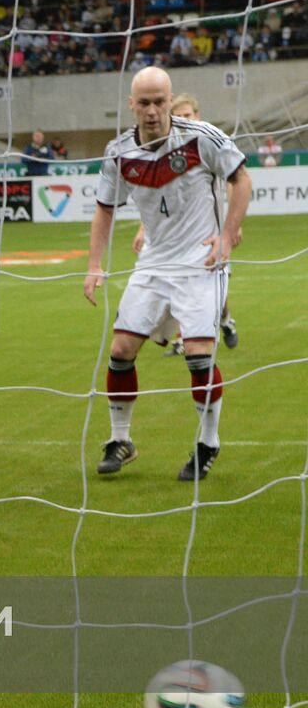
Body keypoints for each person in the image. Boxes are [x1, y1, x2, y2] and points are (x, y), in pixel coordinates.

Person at [83, 67, 250, 482]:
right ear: (131, 105)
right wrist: (93, 265)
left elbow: (241, 180)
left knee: (197, 357)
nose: (153, 110)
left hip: (201, 263)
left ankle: (208, 443)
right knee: (121, 350)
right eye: (145, 103)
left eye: (160, 101)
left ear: (170, 100)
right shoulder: (119, 152)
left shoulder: (201, 137)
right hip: (154, 264)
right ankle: (121, 439)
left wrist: (227, 237)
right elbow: (104, 207)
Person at [132, 93, 239, 354]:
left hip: (209, 237)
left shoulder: (207, 144)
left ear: (197, 116)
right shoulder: (164, 153)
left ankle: (225, 320)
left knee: (216, 294)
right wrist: (142, 228)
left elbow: (235, 181)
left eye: (188, 115)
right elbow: (157, 200)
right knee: (179, 288)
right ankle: (185, 339)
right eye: (178, 116)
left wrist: (232, 227)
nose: (182, 120)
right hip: (176, 242)